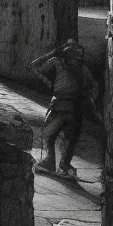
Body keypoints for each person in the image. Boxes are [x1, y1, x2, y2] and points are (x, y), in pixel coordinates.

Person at [30, 38, 97, 178]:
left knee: (49, 134)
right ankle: (64, 166)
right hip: (75, 106)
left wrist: (52, 53)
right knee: (69, 138)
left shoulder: (57, 61)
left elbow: (34, 67)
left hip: (60, 104)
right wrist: (90, 100)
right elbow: (93, 86)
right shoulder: (82, 69)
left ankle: (52, 163)